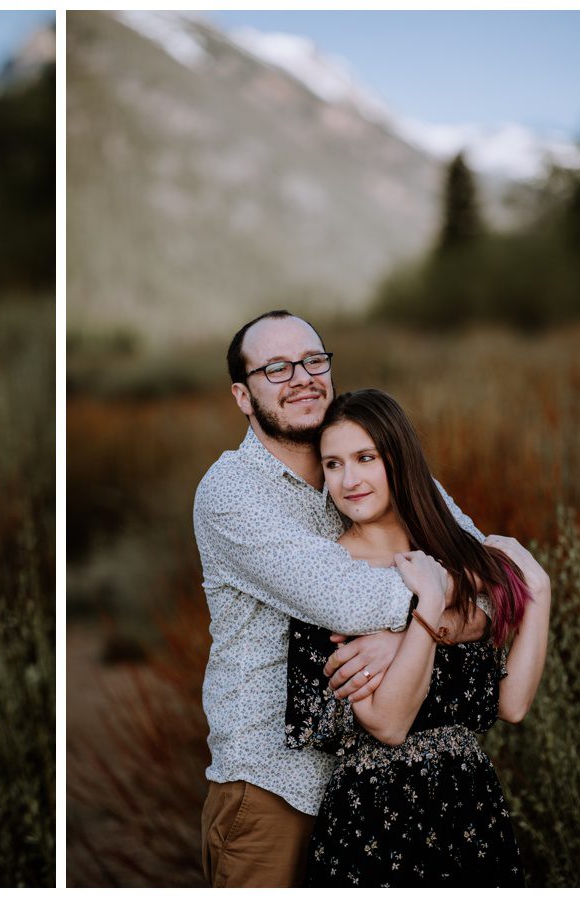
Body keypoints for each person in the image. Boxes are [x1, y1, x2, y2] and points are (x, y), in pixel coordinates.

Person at [193, 310, 540, 887]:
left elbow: (491, 573)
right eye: (276, 368)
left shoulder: (372, 462)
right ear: (243, 395)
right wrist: (426, 623)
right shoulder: (231, 492)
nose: (301, 377)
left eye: (312, 361)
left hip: (382, 794)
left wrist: (412, 632)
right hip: (273, 789)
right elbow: (352, 601)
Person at [286, 388, 550, 885]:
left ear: (399, 460)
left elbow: (512, 705)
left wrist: (539, 590)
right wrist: (427, 612)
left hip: (472, 809)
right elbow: (387, 724)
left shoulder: (454, 557)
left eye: (365, 458)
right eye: (334, 464)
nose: (349, 479)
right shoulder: (329, 575)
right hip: (377, 819)